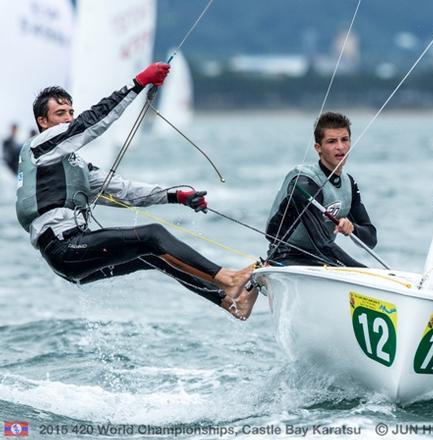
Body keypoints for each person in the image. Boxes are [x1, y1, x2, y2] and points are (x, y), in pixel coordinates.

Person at [15, 63, 258, 320]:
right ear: (42, 121)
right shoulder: (38, 148)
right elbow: (91, 123)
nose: (68, 119)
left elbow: (125, 191)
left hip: (73, 254)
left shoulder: (76, 166)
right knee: (152, 234)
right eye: (60, 113)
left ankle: (232, 303)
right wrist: (138, 83)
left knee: (153, 256)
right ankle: (228, 278)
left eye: (70, 112)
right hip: (64, 249)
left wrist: (175, 196)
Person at [265, 111, 377, 267]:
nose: (340, 147)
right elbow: (321, 243)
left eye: (344, 140)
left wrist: (353, 229)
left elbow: (371, 239)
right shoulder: (304, 183)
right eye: (332, 141)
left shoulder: (348, 183)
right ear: (318, 147)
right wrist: (366, 272)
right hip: (286, 258)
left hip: (321, 259)